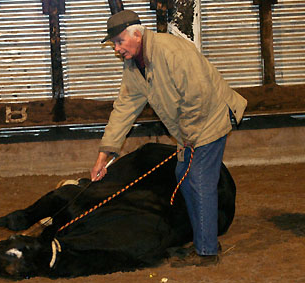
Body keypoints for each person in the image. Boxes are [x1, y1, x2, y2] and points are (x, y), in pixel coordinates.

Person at [90, 10, 247, 267]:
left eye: (119, 42)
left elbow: (198, 96)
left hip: (211, 116)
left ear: (137, 35)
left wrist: (189, 138)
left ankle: (207, 252)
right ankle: (204, 240)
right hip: (190, 127)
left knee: (197, 180)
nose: (117, 49)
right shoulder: (134, 66)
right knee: (183, 176)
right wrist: (103, 156)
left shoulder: (171, 51)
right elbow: (124, 110)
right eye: (114, 44)